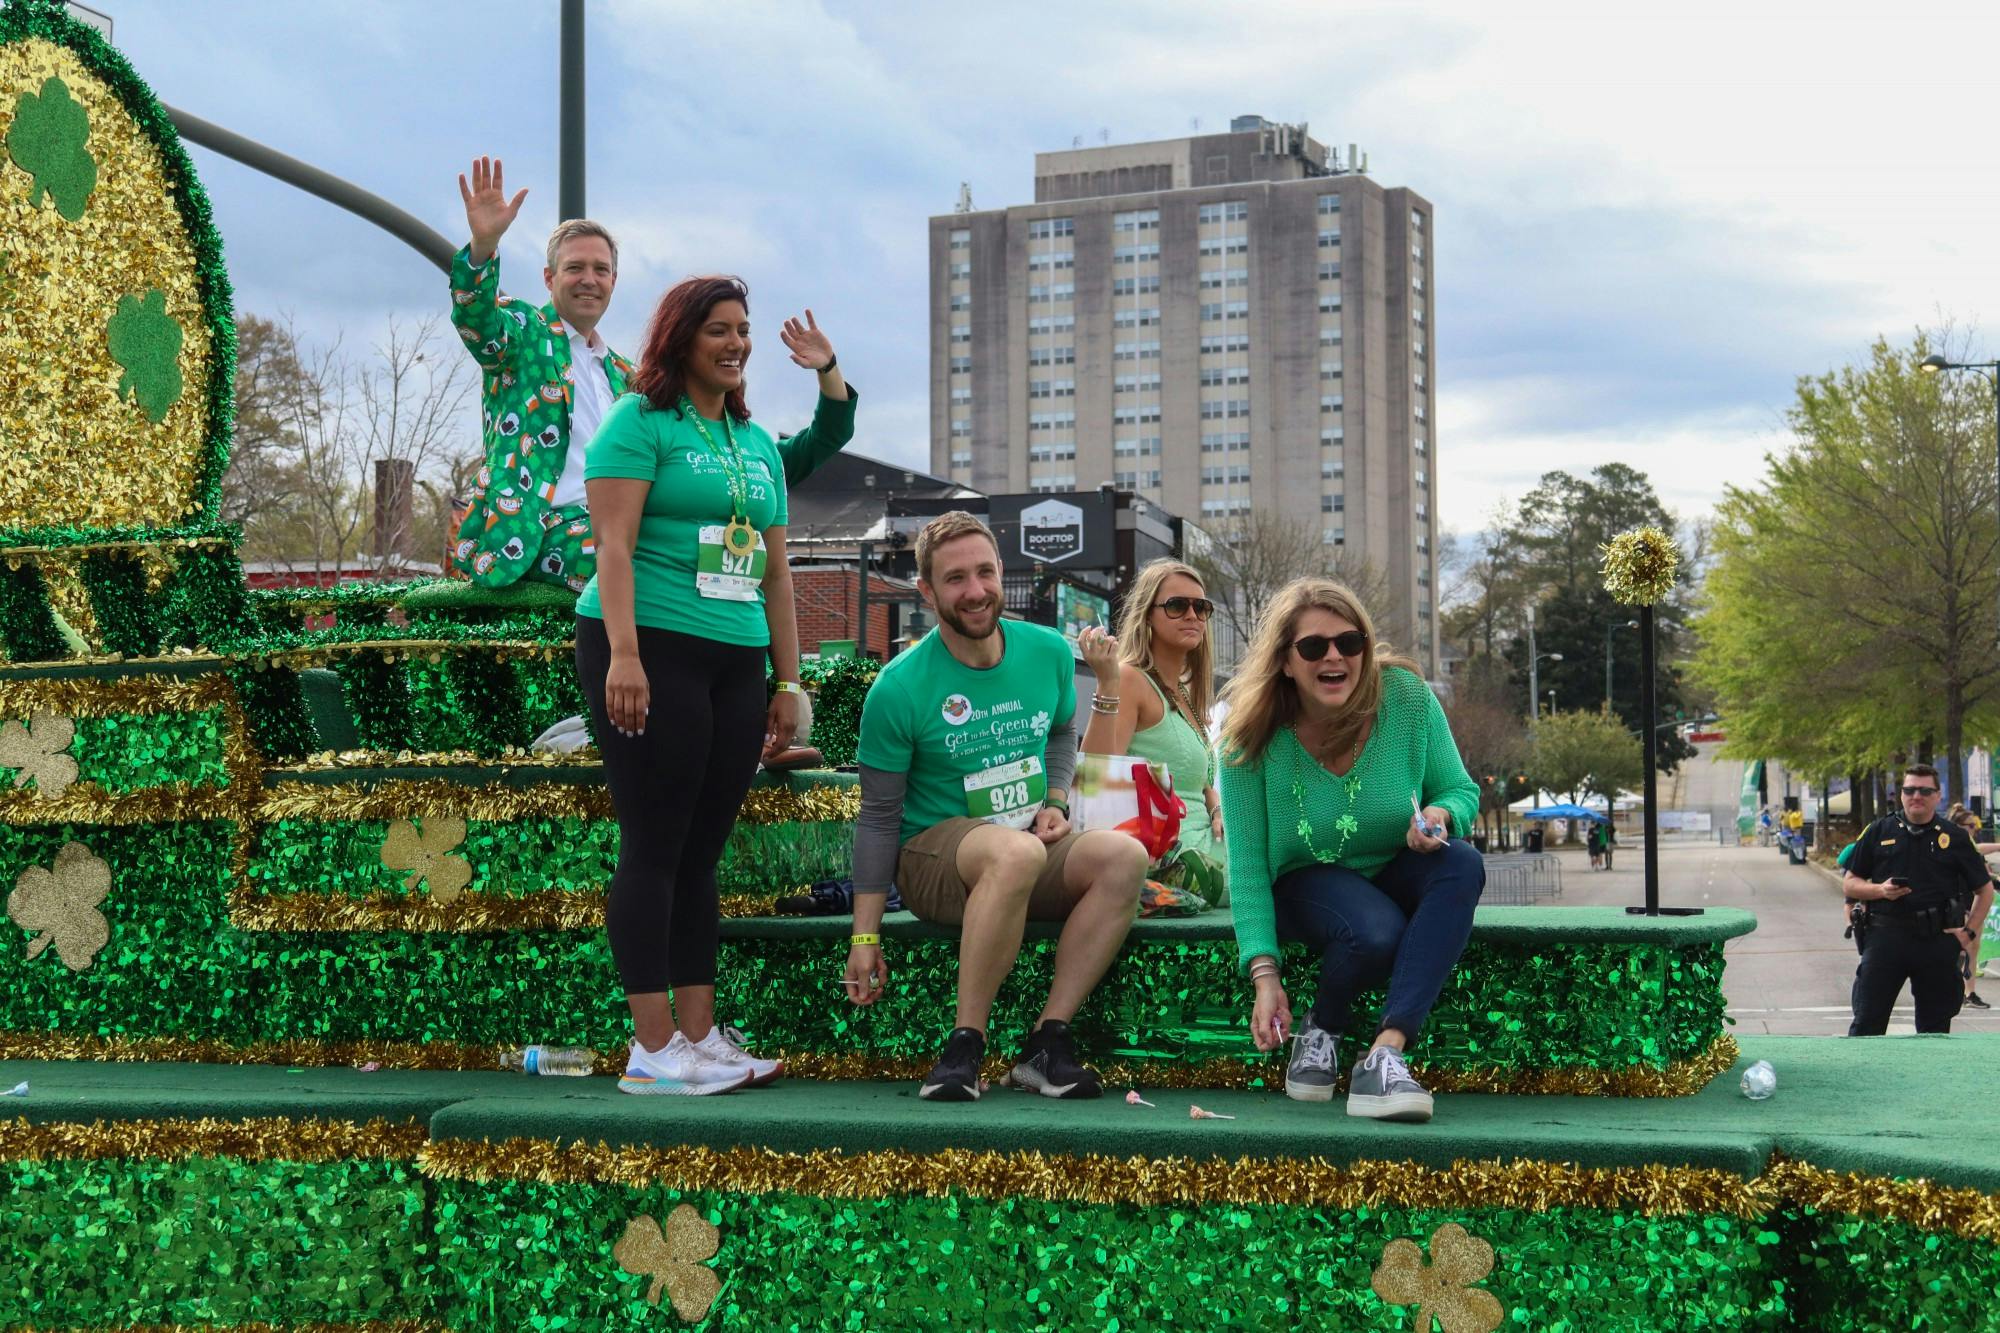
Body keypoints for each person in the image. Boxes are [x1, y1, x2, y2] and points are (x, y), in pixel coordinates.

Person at [574, 273, 856, 1094]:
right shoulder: (639, 421)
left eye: (742, 330)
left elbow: (777, 573)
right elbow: (613, 547)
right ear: (680, 338)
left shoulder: (754, 441)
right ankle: (652, 1048)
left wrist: (789, 680)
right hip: (649, 644)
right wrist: (625, 655)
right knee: (655, 842)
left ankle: (700, 1038)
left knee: (702, 853)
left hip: (736, 655)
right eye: (718, 330)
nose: (736, 344)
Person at [846, 512, 1148, 1102]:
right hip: (935, 858)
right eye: (955, 578)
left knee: (1124, 857)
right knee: (1015, 854)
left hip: (1026, 843)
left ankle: (1046, 1044)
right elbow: (878, 817)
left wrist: (1055, 798)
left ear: (1001, 572)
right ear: (927, 591)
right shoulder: (898, 688)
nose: (976, 590)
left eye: (985, 572)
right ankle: (964, 1048)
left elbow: (1060, 733)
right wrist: (864, 937)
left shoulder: (1047, 651)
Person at [449, 156, 857, 589]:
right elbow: (477, 318)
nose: (589, 279)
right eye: (575, 268)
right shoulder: (522, 336)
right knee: (646, 548)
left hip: (624, 523)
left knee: (699, 544)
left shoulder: (628, 378)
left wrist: (828, 370)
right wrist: (483, 245)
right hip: (542, 531)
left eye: (601, 270)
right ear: (549, 278)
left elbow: (750, 455)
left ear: (614, 280)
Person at [1219, 578, 1483, 1122]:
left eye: (1349, 641)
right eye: (1314, 646)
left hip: (1392, 867)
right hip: (1306, 884)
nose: (1334, 656)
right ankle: (1321, 1029)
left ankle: (1385, 1054)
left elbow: (1460, 790)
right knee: (1375, 930)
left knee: (1461, 862)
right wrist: (1265, 975)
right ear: (1285, 661)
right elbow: (1246, 867)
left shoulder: (1406, 699)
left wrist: (1440, 816)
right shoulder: (1249, 738)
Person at [1076, 559, 1225, 904]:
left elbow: (1199, 782)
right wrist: (1107, 683)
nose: (1192, 615)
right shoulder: (1130, 679)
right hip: (1172, 859)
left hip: (1207, 841)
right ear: (1147, 616)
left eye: (1201, 607)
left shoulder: (1183, 691)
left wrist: (1216, 807)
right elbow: (1094, 782)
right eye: (1177, 605)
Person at [1841, 764, 1988, 1035]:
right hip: (1885, 938)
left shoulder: (1955, 837)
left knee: (1934, 1032)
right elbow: (1850, 882)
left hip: (1936, 941)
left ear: (1938, 796)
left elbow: (1985, 890)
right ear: (1901, 794)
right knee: (1866, 1025)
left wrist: (1968, 934)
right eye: (1909, 790)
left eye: (1924, 791)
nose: (1916, 796)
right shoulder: (1879, 831)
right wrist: (1880, 891)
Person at [1945, 804, 1995, 1010]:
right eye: (1971, 826)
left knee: (1973, 948)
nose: (1975, 829)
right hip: (1954, 903)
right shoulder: (1947, 845)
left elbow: (1982, 872)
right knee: (1959, 949)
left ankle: (1970, 992)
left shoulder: (1970, 846)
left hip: (1972, 901)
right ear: (1959, 826)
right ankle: (1950, 989)